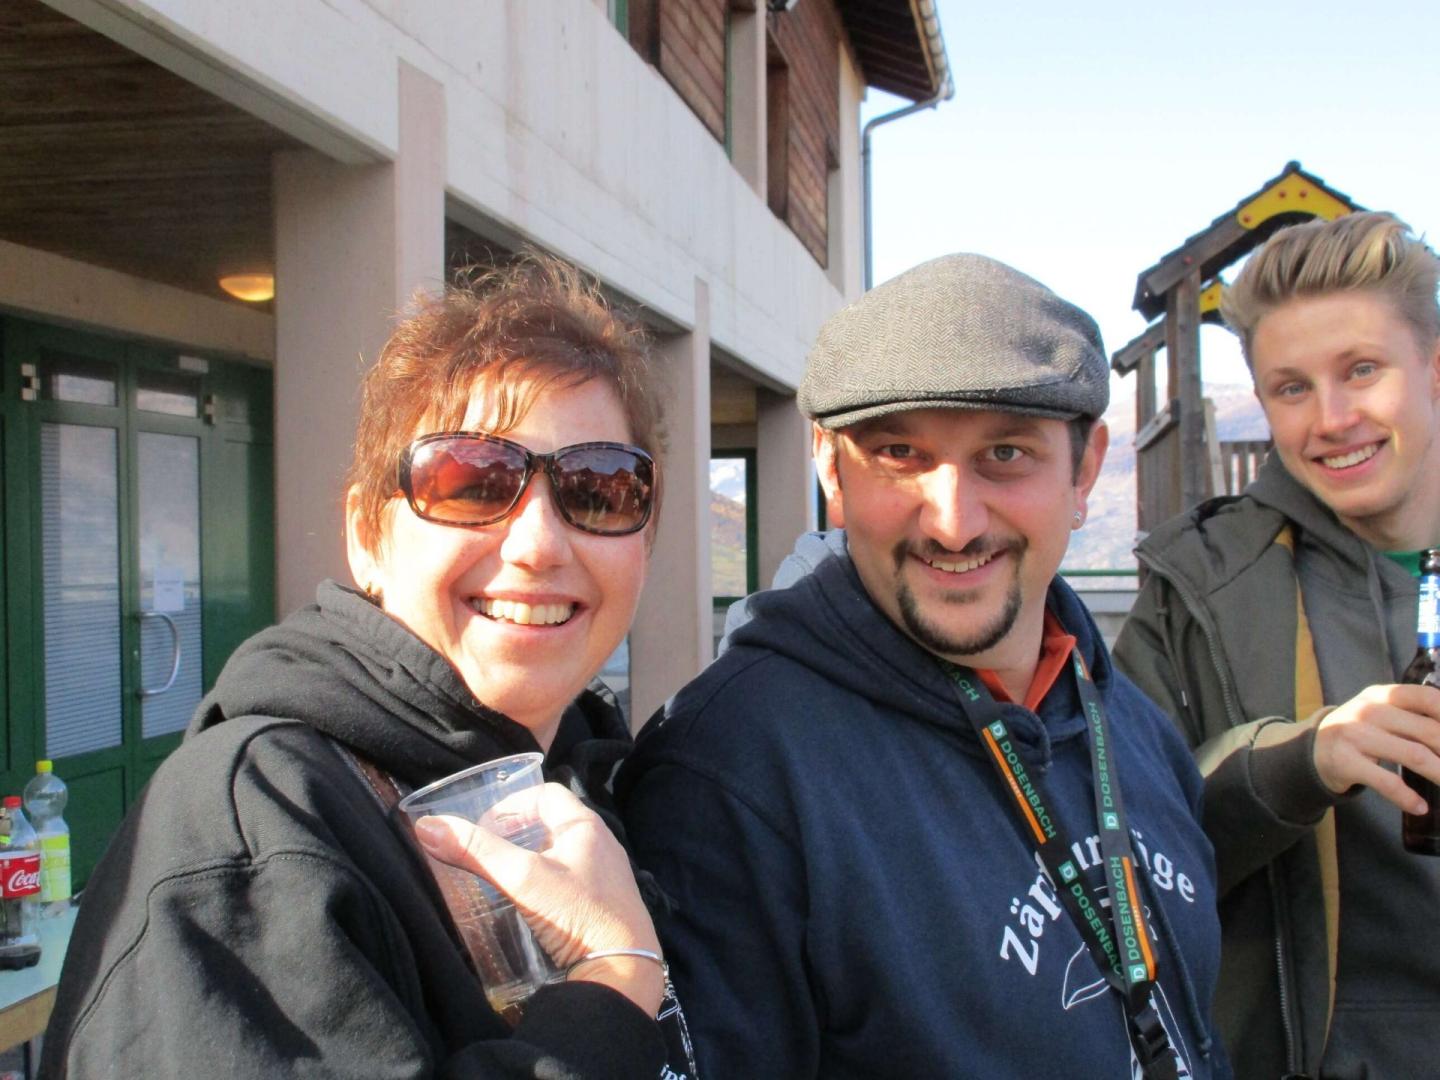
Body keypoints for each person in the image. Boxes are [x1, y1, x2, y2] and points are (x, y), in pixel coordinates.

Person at [41, 256, 684, 1079]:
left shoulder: (612, 786)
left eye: (598, 489)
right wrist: (614, 983)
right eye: (471, 482)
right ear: (367, 538)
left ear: (645, 541)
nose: (538, 544)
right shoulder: (253, 832)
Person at [619, 254, 1230, 1079]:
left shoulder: (1129, 725)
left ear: (1085, 470)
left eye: (1005, 454)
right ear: (831, 467)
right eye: (901, 453)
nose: (953, 523)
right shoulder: (731, 775)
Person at [1113, 211, 1440, 1079]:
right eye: (1292, 388)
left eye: (1361, 370)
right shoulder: (1196, 588)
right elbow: (1122, 850)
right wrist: (1301, 763)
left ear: (1435, 367)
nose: (1332, 419)